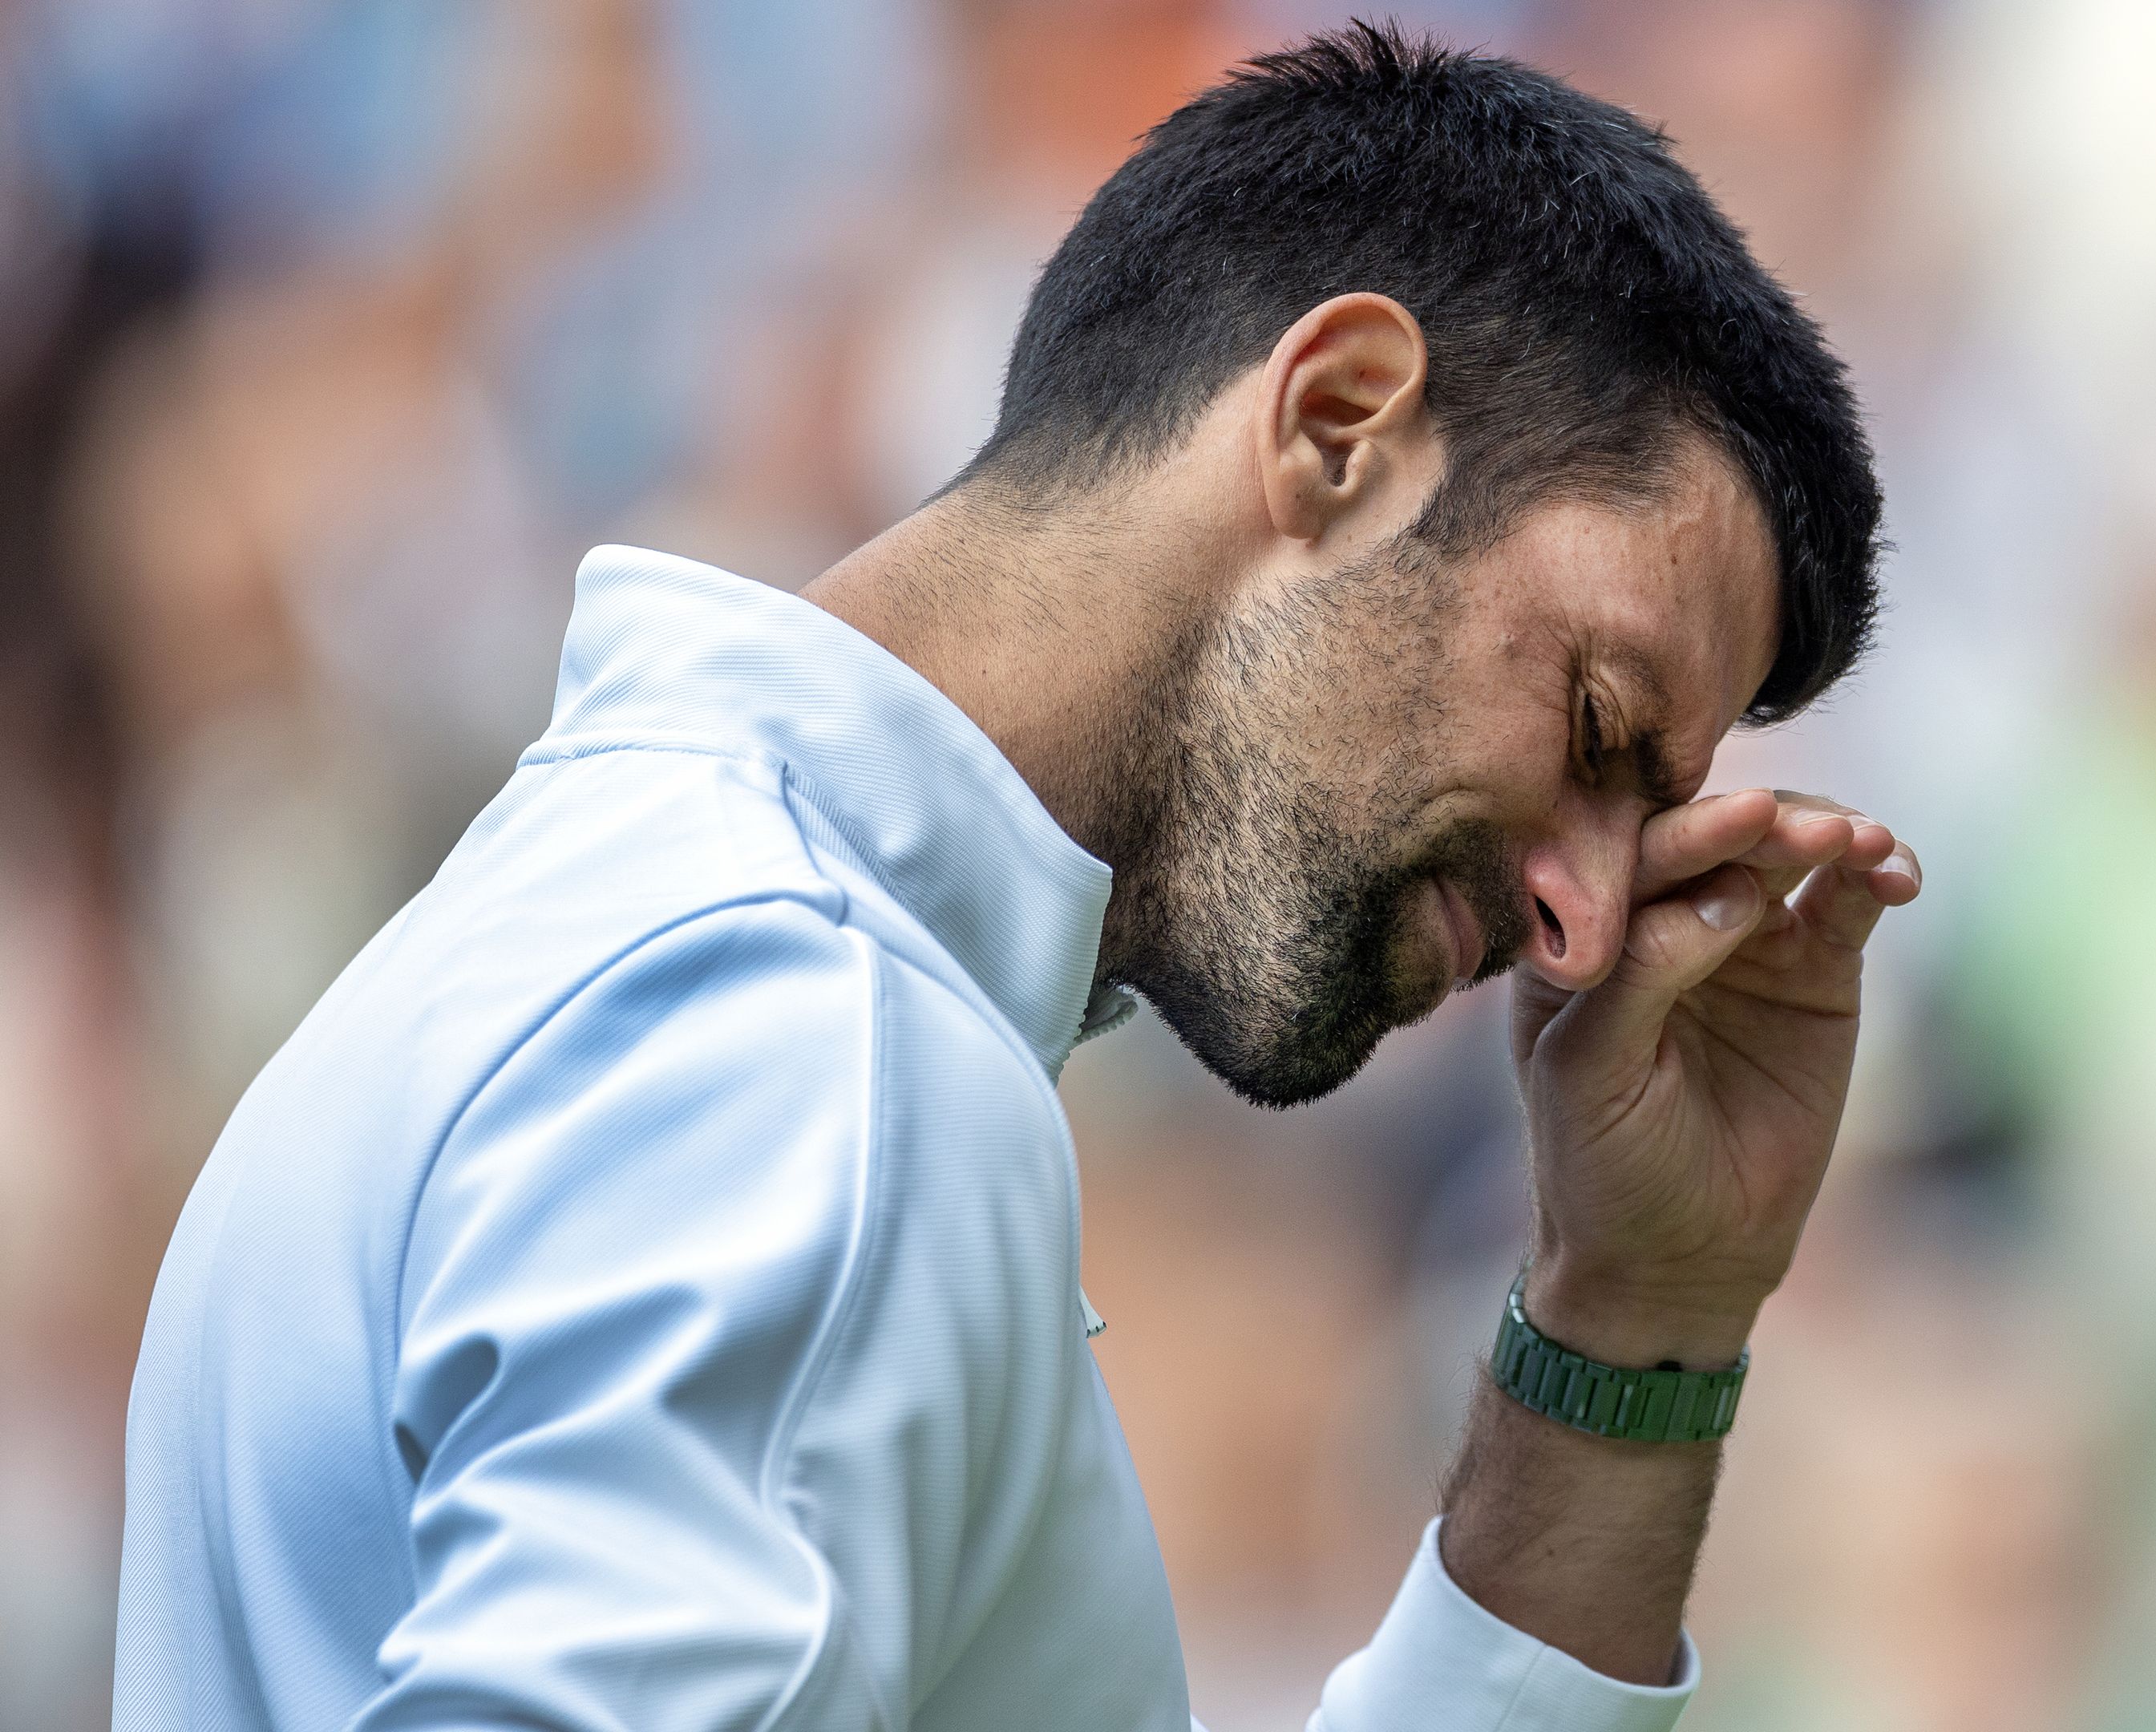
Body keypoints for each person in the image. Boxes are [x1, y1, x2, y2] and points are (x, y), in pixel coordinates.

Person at [111, 23, 1912, 1732]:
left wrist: (1634, 1327)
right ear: (1340, 423)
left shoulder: (673, 945)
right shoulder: (805, 1043)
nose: (1586, 921)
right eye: (1595, 717)